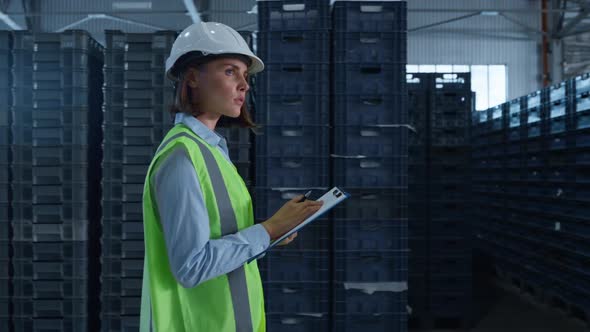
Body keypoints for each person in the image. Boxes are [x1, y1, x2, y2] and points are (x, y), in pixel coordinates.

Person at [139, 21, 323, 332]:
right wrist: (267, 230)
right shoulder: (181, 158)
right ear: (193, 77)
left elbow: (220, 240)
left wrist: (269, 236)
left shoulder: (212, 151)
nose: (244, 84)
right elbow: (191, 267)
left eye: (245, 75)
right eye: (229, 71)